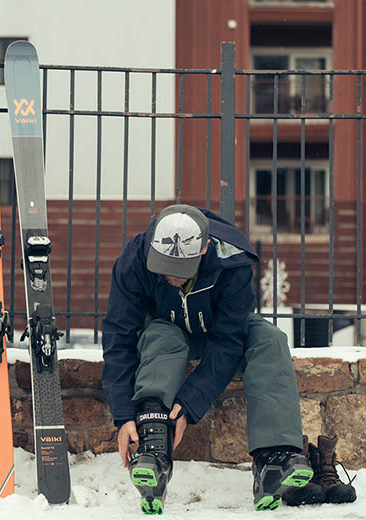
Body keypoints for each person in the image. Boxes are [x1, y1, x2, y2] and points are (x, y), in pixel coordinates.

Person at [102, 204, 312, 514]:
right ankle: (153, 449)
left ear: (204, 250)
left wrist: (189, 404)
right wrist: (123, 415)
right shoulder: (135, 259)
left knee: (270, 340)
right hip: (167, 329)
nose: (171, 274)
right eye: (165, 265)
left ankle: (274, 458)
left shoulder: (233, 263)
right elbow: (119, 336)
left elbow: (228, 342)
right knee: (163, 338)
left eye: (180, 267)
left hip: (220, 328)